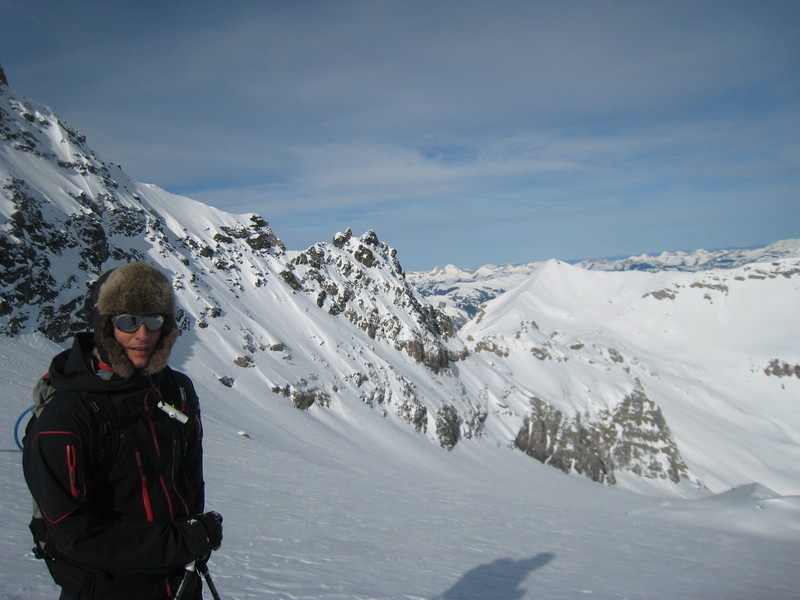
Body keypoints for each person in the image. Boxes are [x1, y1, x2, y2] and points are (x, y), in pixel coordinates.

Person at [23, 262, 223, 600]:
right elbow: (74, 534)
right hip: (107, 589)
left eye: (154, 320)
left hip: (181, 584)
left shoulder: (177, 391)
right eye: (127, 321)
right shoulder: (66, 415)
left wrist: (191, 539)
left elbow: (189, 480)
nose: (142, 334)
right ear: (106, 325)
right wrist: (184, 541)